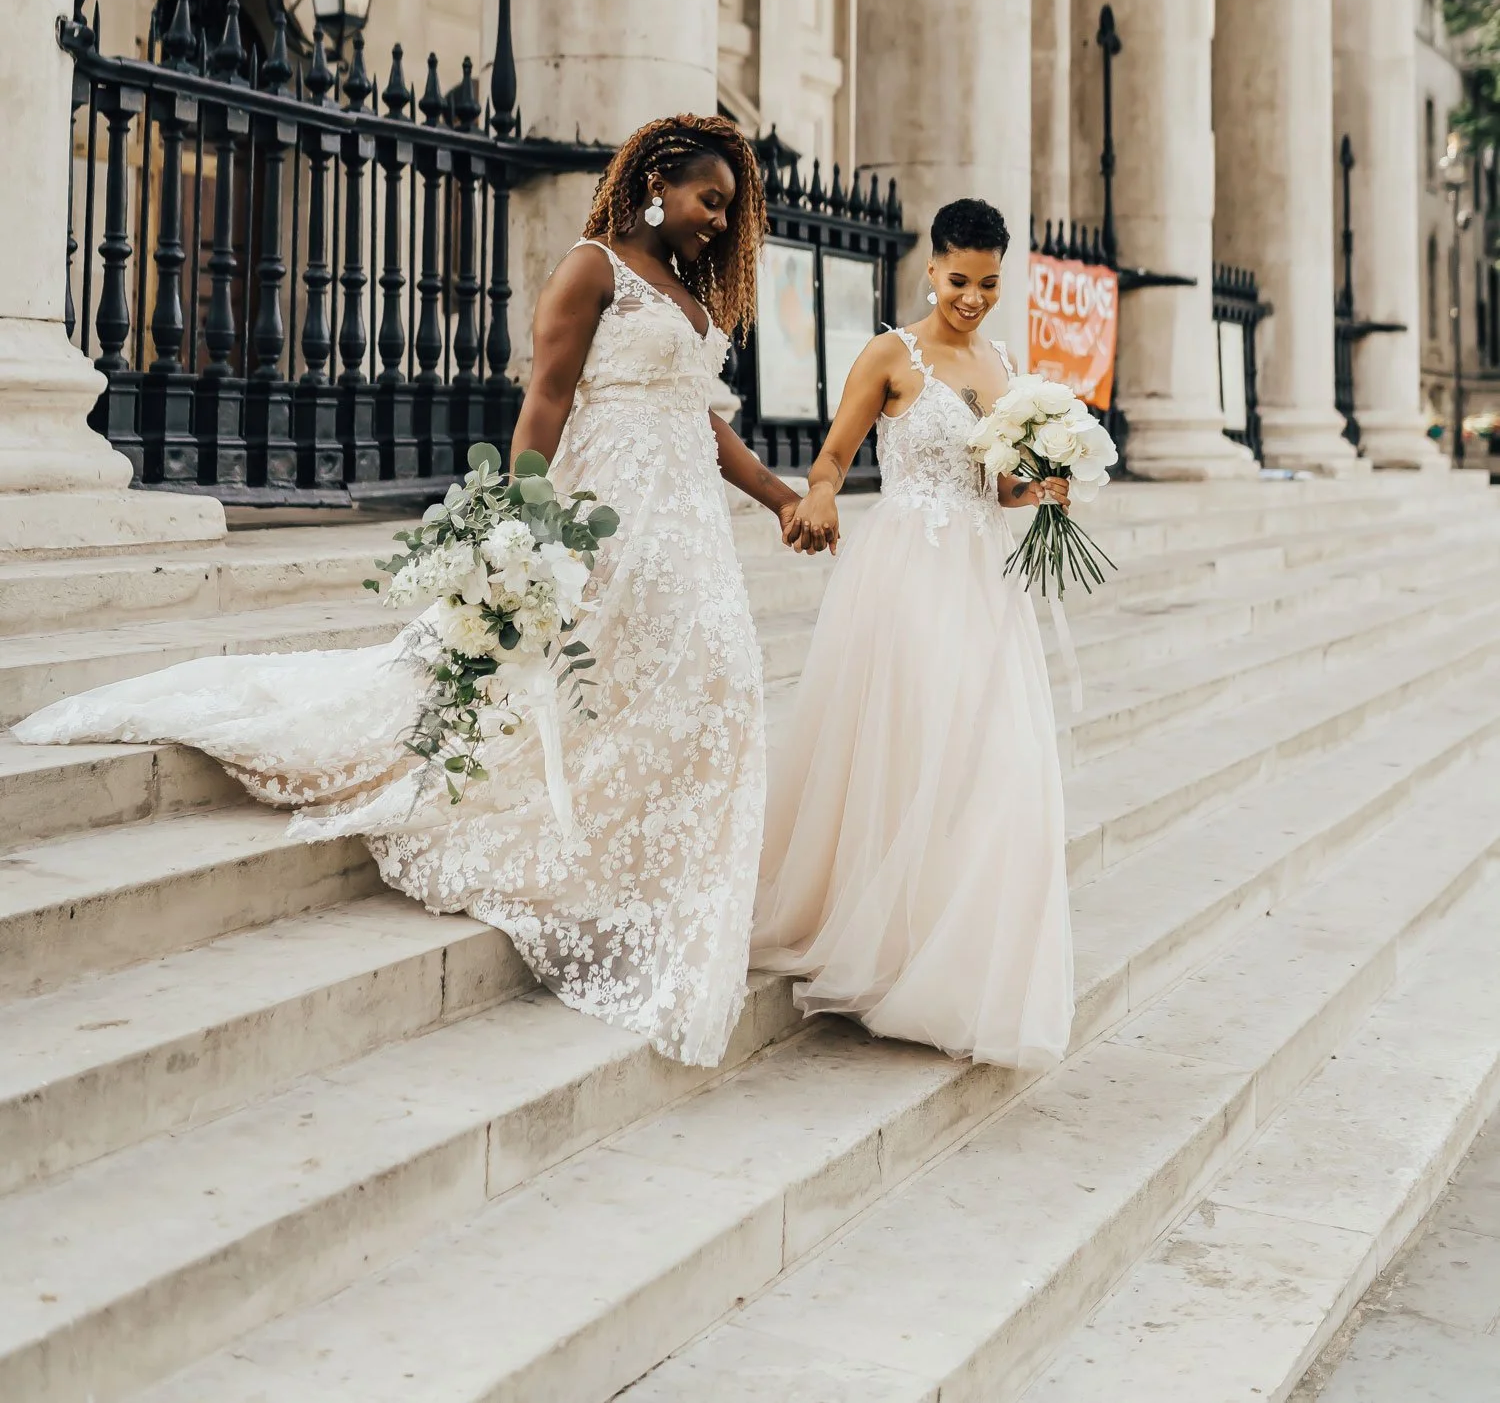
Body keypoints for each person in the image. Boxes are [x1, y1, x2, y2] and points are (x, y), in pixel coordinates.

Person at [16, 114, 818, 1068]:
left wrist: (781, 497)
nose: (721, 222)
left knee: (712, 684)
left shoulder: (690, 293)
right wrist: (521, 525)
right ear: (655, 181)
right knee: (606, 681)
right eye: (708, 199)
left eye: (732, 208)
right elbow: (546, 402)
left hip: (686, 526)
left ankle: (658, 872)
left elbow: (705, 419)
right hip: (608, 514)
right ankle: (603, 860)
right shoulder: (593, 268)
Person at [753, 196, 1075, 1070]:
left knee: (988, 755)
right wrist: (818, 494)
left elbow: (1000, 487)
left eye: (990, 283)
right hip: (905, 574)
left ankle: (951, 954)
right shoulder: (891, 355)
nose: (973, 298)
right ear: (932, 269)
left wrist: (1046, 486)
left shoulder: (1007, 364)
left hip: (981, 581)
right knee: (915, 743)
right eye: (960, 280)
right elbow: (833, 456)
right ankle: (881, 941)